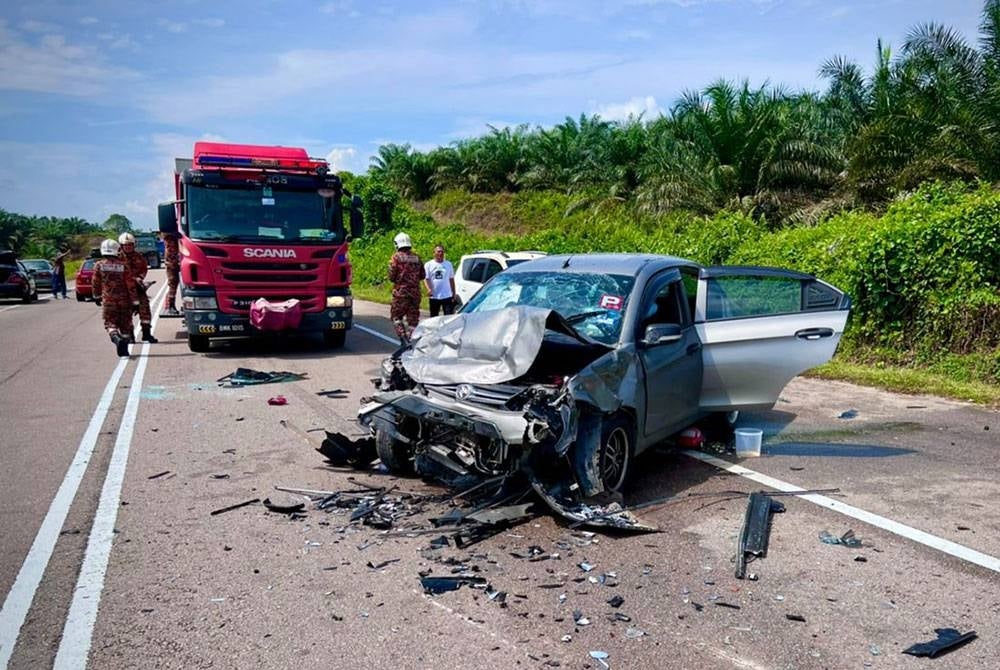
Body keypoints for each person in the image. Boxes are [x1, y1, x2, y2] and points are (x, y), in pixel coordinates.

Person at [92, 239, 138, 357]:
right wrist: (135, 302)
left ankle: (116, 339)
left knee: (110, 324)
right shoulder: (124, 266)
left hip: (108, 300)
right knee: (125, 326)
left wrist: (96, 296)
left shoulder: (99, 265)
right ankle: (124, 349)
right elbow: (131, 285)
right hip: (124, 301)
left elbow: (95, 283)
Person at [118, 233, 158, 343]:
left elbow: (144, 268)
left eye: (130, 245)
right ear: (121, 246)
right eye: (126, 245)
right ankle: (130, 336)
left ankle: (146, 334)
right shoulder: (117, 258)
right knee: (126, 314)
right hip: (124, 291)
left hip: (138, 289)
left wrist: (140, 278)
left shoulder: (139, 257)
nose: (128, 247)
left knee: (145, 311)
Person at [387, 232, 425, 344]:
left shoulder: (396, 258)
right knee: (413, 320)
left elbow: (391, 276)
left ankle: (403, 338)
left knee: (396, 316)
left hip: (401, 294)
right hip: (415, 293)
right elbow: (423, 275)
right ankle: (412, 340)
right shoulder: (417, 258)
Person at [423, 243, 456, 317]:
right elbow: (426, 278)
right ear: (434, 253)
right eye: (438, 251)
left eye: (442, 252)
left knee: (448, 318)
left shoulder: (448, 264)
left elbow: (451, 279)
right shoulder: (428, 265)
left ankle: (447, 329)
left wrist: (453, 293)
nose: (440, 253)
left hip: (447, 295)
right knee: (434, 317)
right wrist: (428, 289)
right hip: (434, 296)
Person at [161, 231, 181, 317]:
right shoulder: (169, 235)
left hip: (181, 260)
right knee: (173, 282)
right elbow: (170, 250)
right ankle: (171, 306)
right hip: (172, 262)